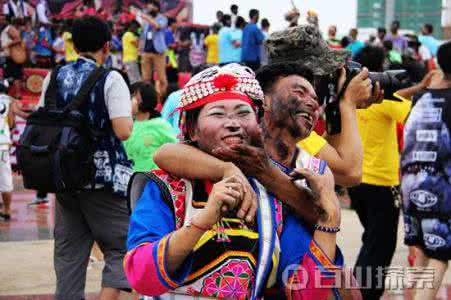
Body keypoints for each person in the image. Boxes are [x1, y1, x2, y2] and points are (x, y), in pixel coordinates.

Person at [124, 63, 344, 299]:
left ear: (258, 125)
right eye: (217, 114)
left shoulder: (273, 197)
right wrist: (203, 221)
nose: (233, 123)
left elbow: (306, 294)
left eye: (243, 113)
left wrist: (328, 220)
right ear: (191, 128)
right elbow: (141, 277)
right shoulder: (168, 187)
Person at [37, 16, 133, 300]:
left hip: (64, 177)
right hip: (102, 179)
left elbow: (44, 121)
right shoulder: (110, 78)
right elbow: (123, 131)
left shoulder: (53, 76)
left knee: (69, 255)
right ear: (106, 46)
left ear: (74, 44)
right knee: (123, 247)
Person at [348, 45, 432, 300]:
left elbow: (395, 96)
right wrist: (427, 89)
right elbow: (411, 113)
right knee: (380, 246)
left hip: (357, 181)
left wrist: (416, 88)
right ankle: (365, 293)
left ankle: (358, 289)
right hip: (382, 183)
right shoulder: (383, 101)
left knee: (371, 239)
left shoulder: (353, 95)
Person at [401, 41, 451, 300]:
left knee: (420, 252)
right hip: (441, 191)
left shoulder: (421, 97)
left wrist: (420, 87)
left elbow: (397, 97)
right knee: (440, 257)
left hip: (411, 186)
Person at [124, 82, 176, 171]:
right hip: (133, 180)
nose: (130, 101)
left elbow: (175, 150)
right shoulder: (127, 126)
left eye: (134, 96)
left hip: (154, 180)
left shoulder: (160, 125)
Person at [137, 0, 169, 97]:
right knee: (145, 78)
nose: (148, 9)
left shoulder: (162, 18)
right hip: (146, 52)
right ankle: (147, 99)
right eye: (148, 7)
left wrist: (146, 18)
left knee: (161, 78)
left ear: (156, 8)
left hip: (158, 52)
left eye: (150, 7)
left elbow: (157, 26)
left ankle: (162, 99)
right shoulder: (146, 21)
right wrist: (140, 49)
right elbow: (143, 36)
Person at [0, 81, 15, 221]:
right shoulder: (7, 101)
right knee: (5, 178)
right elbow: (11, 122)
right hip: (2, 144)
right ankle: (7, 209)